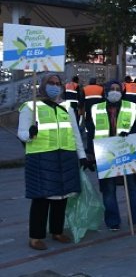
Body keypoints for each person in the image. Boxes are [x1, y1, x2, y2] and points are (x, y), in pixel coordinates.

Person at [18, 74, 89, 250]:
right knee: (41, 198)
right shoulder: (30, 107)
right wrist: (30, 133)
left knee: (61, 196)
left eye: (58, 84)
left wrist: (82, 156)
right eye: (51, 83)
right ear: (43, 85)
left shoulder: (67, 107)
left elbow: (75, 134)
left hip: (65, 157)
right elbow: (22, 133)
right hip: (41, 157)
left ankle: (57, 231)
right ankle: (35, 237)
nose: (55, 86)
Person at [90, 81, 136, 231]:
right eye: (111, 89)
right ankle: (113, 221)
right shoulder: (96, 108)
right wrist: (90, 152)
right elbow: (90, 129)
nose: (115, 92)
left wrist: (131, 135)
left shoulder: (131, 107)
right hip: (105, 152)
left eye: (118, 89)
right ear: (105, 91)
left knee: (133, 186)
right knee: (108, 188)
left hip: (126, 149)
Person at [82, 77, 104, 152]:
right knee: (98, 132)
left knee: (89, 133)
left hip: (89, 114)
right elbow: (104, 101)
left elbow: (81, 102)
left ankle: (90, 149)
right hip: (99, 114)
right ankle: (98, 149)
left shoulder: (85, 88)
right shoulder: (101, 88)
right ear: (95, 82)